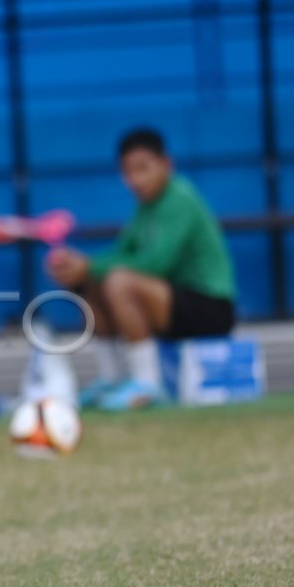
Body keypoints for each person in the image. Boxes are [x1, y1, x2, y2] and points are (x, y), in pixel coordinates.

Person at [46, 128, 236, 411]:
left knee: (119, 282)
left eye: (143, 169)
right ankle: (111, 378)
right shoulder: (145, 207)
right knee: (88, 281)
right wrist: (77, 265)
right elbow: (121, 254)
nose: (136, 179)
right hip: (171, 303)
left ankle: (148, 384)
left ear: (166, 165)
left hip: (210, 307)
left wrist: (90, 264)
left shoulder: (180, 199)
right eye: (128, 172)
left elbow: (154, 264)